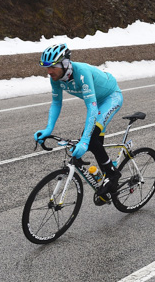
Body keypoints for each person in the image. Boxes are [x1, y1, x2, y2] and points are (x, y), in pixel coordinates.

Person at [34, 44, 123, 200]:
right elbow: (56, 103)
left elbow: (92, 108)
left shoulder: (81, 73)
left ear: (65, 63)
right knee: (94, 145)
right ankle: (106, 183)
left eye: (53, 67)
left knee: (90, 137)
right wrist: (48, 129)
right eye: (47, 68)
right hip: (97, 102)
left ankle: (112, 175)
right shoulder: (56, 78)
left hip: (110, 98)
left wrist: (84, 140)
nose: (49, 71)